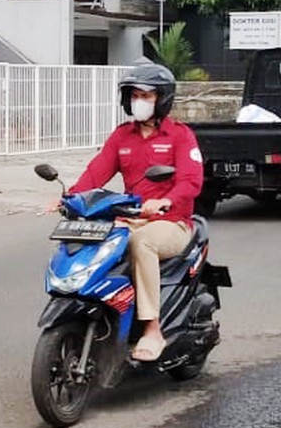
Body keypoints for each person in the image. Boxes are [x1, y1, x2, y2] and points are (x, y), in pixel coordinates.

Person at [66, 62, 203, 363]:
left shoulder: (180, 136)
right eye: (135, 95)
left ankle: (152, 330)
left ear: (162, 99)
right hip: (130, 218)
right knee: (93, 242)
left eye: (147, 95)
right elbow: (96, 173)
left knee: (142, 244)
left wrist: (166, 201)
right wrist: (69, 197)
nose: (139, 101)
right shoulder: (122, 137)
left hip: (172, 223)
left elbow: (191, 181)